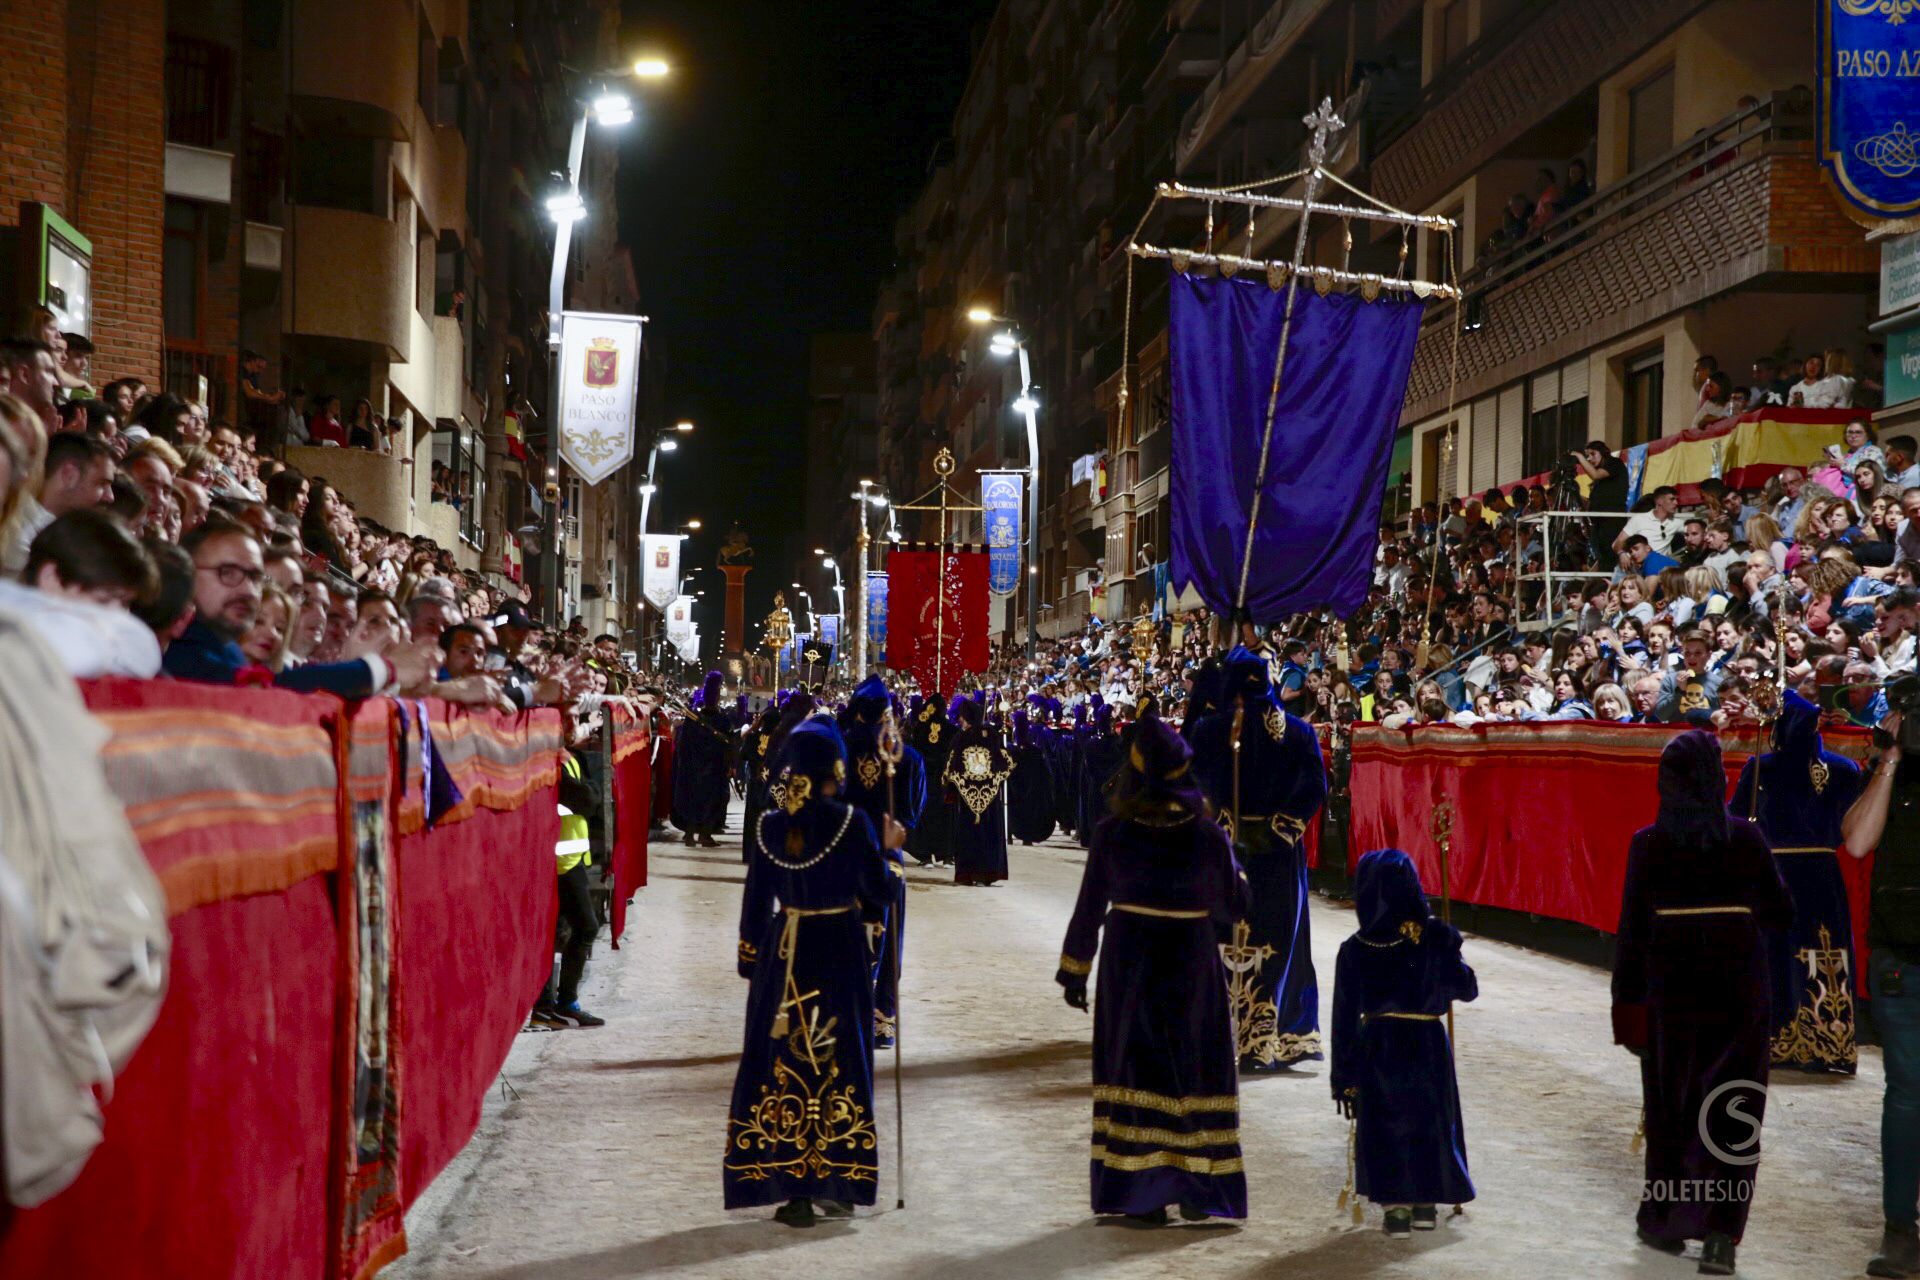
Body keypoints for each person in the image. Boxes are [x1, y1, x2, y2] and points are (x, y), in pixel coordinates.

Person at [1056, 716, 1250, 1225]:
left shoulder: (1113, 830)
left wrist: (1075, 970)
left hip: (1131, 961)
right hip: (1190, 960)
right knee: (1192, 1066)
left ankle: (1141, 1193)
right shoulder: (1207, 833)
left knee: (1136, 1067)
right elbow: (1234, 907)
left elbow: (1089, 906)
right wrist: (1238, 864)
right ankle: (1197, 1188)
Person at [1612, 731, 1792, 1275]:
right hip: (1739, 990)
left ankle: (1666, 1219)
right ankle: (1721, 1235)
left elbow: (1631, 934)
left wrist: (1627, 1008)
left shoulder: (1648, 843)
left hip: (1673, 994)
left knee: (1672, 1110)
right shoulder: (1747, 840)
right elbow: (1780, 914)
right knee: (1736, 1111)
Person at [725, 720, 900, 1227]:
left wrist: (751, 963)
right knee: (838, 1061)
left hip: (786, 954)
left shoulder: (769, 826)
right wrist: (891, 850)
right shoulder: (852, 822)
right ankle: (837, 1183)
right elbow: (881, 892)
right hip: (839, 950)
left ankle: (791, 1192)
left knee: (782, 1065)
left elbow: (755, 903)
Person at [1188, 645, 1329, 1072]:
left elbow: (1193, 780)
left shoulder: (1208, 731)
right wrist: (1280, 828)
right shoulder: (1298, 733)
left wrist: (1225, 822)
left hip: (1227, 850)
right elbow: (1315, 787)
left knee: (1222, 937)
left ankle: (1217, 1033)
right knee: (1277, 939)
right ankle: (1267, 1039)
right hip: (1277, 853)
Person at [1329, 848, 1478, 1237]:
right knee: (1429, 1118)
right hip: (1427, 1041)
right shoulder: (1434, 937)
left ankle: (1396, 1209)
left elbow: (1343, 1018)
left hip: (1379, 1047)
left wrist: (1343, 1078)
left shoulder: (1355, 949)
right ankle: (1426, 1203)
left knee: (1386, 1123)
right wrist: (1449, 952)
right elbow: (1466, 989)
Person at [1730, 690, 1863, 1075]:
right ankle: (1828, 1044)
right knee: (1823, 954)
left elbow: (1737, 817)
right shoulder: (1845, 769)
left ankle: (1777, 1038)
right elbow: (1848, 825)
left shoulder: (1762, 767)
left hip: (1777, 872)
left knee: (1775, 951)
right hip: (1823, 873)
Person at [1841, 710, 1920, 1278]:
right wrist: (1890, 760)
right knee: (1908, 1094)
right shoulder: (1893, 776)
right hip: (1902, 958)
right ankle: (1900, 1229)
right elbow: (1859, 842)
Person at [837, 674, 926, 1048]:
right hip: (888, 857)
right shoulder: (906, 755)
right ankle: (882, 1020)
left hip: (844, 857)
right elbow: (912, 812)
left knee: (846, 935)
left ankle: (844, 1014)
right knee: (889, 940)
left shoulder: (838, 747)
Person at [530, 709, 608, 1031]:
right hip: (555, 862)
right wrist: (588, 793)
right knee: (576, 929)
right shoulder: (549, 761)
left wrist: (588, 792)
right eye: (569, 719)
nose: (576, 725)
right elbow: (586, 798)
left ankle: (555, 1004)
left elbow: (593, 795)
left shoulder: (571, 756)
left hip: (571, 858)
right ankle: (556, 1004)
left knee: (569, 930)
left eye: (577, 718)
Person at [943, 698, 1014, 886]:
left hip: (968, 797)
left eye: (961, 717)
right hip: (990, 795)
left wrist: (950, 789)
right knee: (989, 831)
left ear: (966, 717)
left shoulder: (961, 737)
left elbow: (951, 766)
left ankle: (968, 873)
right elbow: (1004, 761)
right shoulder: (991, 735)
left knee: (969, 834)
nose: (959, 720)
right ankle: (988, 873)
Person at [672, 670, 736, 848]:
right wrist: (729, 763)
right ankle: (703, 835)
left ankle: (692, 834)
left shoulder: (696, 718)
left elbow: (683, 743)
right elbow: (729, 743)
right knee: (708, 799)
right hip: (710, 766)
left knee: (695, 799)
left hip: (696, 765)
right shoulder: (717, 719)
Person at [1006, 707, 1057, 844]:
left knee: (1014, 803)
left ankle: (1012, 833)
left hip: (1020, 774)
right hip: (1028, 778)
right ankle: (1022, 835)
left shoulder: (1016, 747)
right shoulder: (1033, 749)